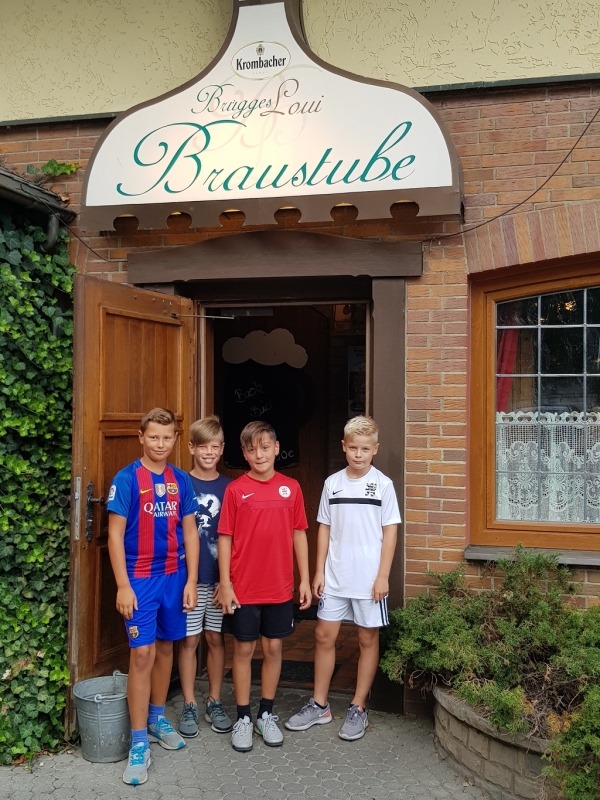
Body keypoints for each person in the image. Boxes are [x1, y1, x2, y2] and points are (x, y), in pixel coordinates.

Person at [285, 416, 400, 741]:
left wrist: (383, 575)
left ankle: (358, 706)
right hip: (335, 576)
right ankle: (320, 704)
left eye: (365, 449)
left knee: (366, 639)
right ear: (344, 447)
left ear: (375, 449)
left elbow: (390, 532)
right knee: (323, 636)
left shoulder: (383, 485)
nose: (358, 454)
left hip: (369, 580)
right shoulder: (332, 483)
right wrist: (319, 570)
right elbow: (325, 527)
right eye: (353, 448)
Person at [107, 407, 199, 785]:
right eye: (154, 437)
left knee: (165, 648)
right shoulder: (127, 479)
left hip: (175, 577)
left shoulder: (181, 480)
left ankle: (158, 718)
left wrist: (192, 581)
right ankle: (139, 741)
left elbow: (190, 532)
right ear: (141, 437)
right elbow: (114, 536)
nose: (160, 444)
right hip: (139, 579)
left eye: (167, 437)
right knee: (141, 653)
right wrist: (123, 585)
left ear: (175, 439)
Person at [217, 421, 311, 752]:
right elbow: (225, 537)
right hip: (243, 587)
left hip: (279, 587)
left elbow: (299, 533)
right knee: (243, 650)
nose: (259, 454)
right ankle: (243, 717)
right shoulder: (235, 490)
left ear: (276, 448)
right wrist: (225, 583)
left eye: (265, 447)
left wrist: (304, 579)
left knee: (273, 649)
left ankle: (265, 714)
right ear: (244, 454)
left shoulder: (291, 488)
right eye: (252, 449)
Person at [178, 415, 233, 738]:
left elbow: (235, 539)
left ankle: (214, 700)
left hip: (218, 580)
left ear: (222, 449)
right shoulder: (182, 484)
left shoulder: (230, 487)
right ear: (191, 448)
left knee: (215, 638)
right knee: (190, 640)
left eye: (215, 447)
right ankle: (189, 703)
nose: (209, 453)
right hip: (189, 580)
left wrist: (227, 581)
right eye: (203, 447)